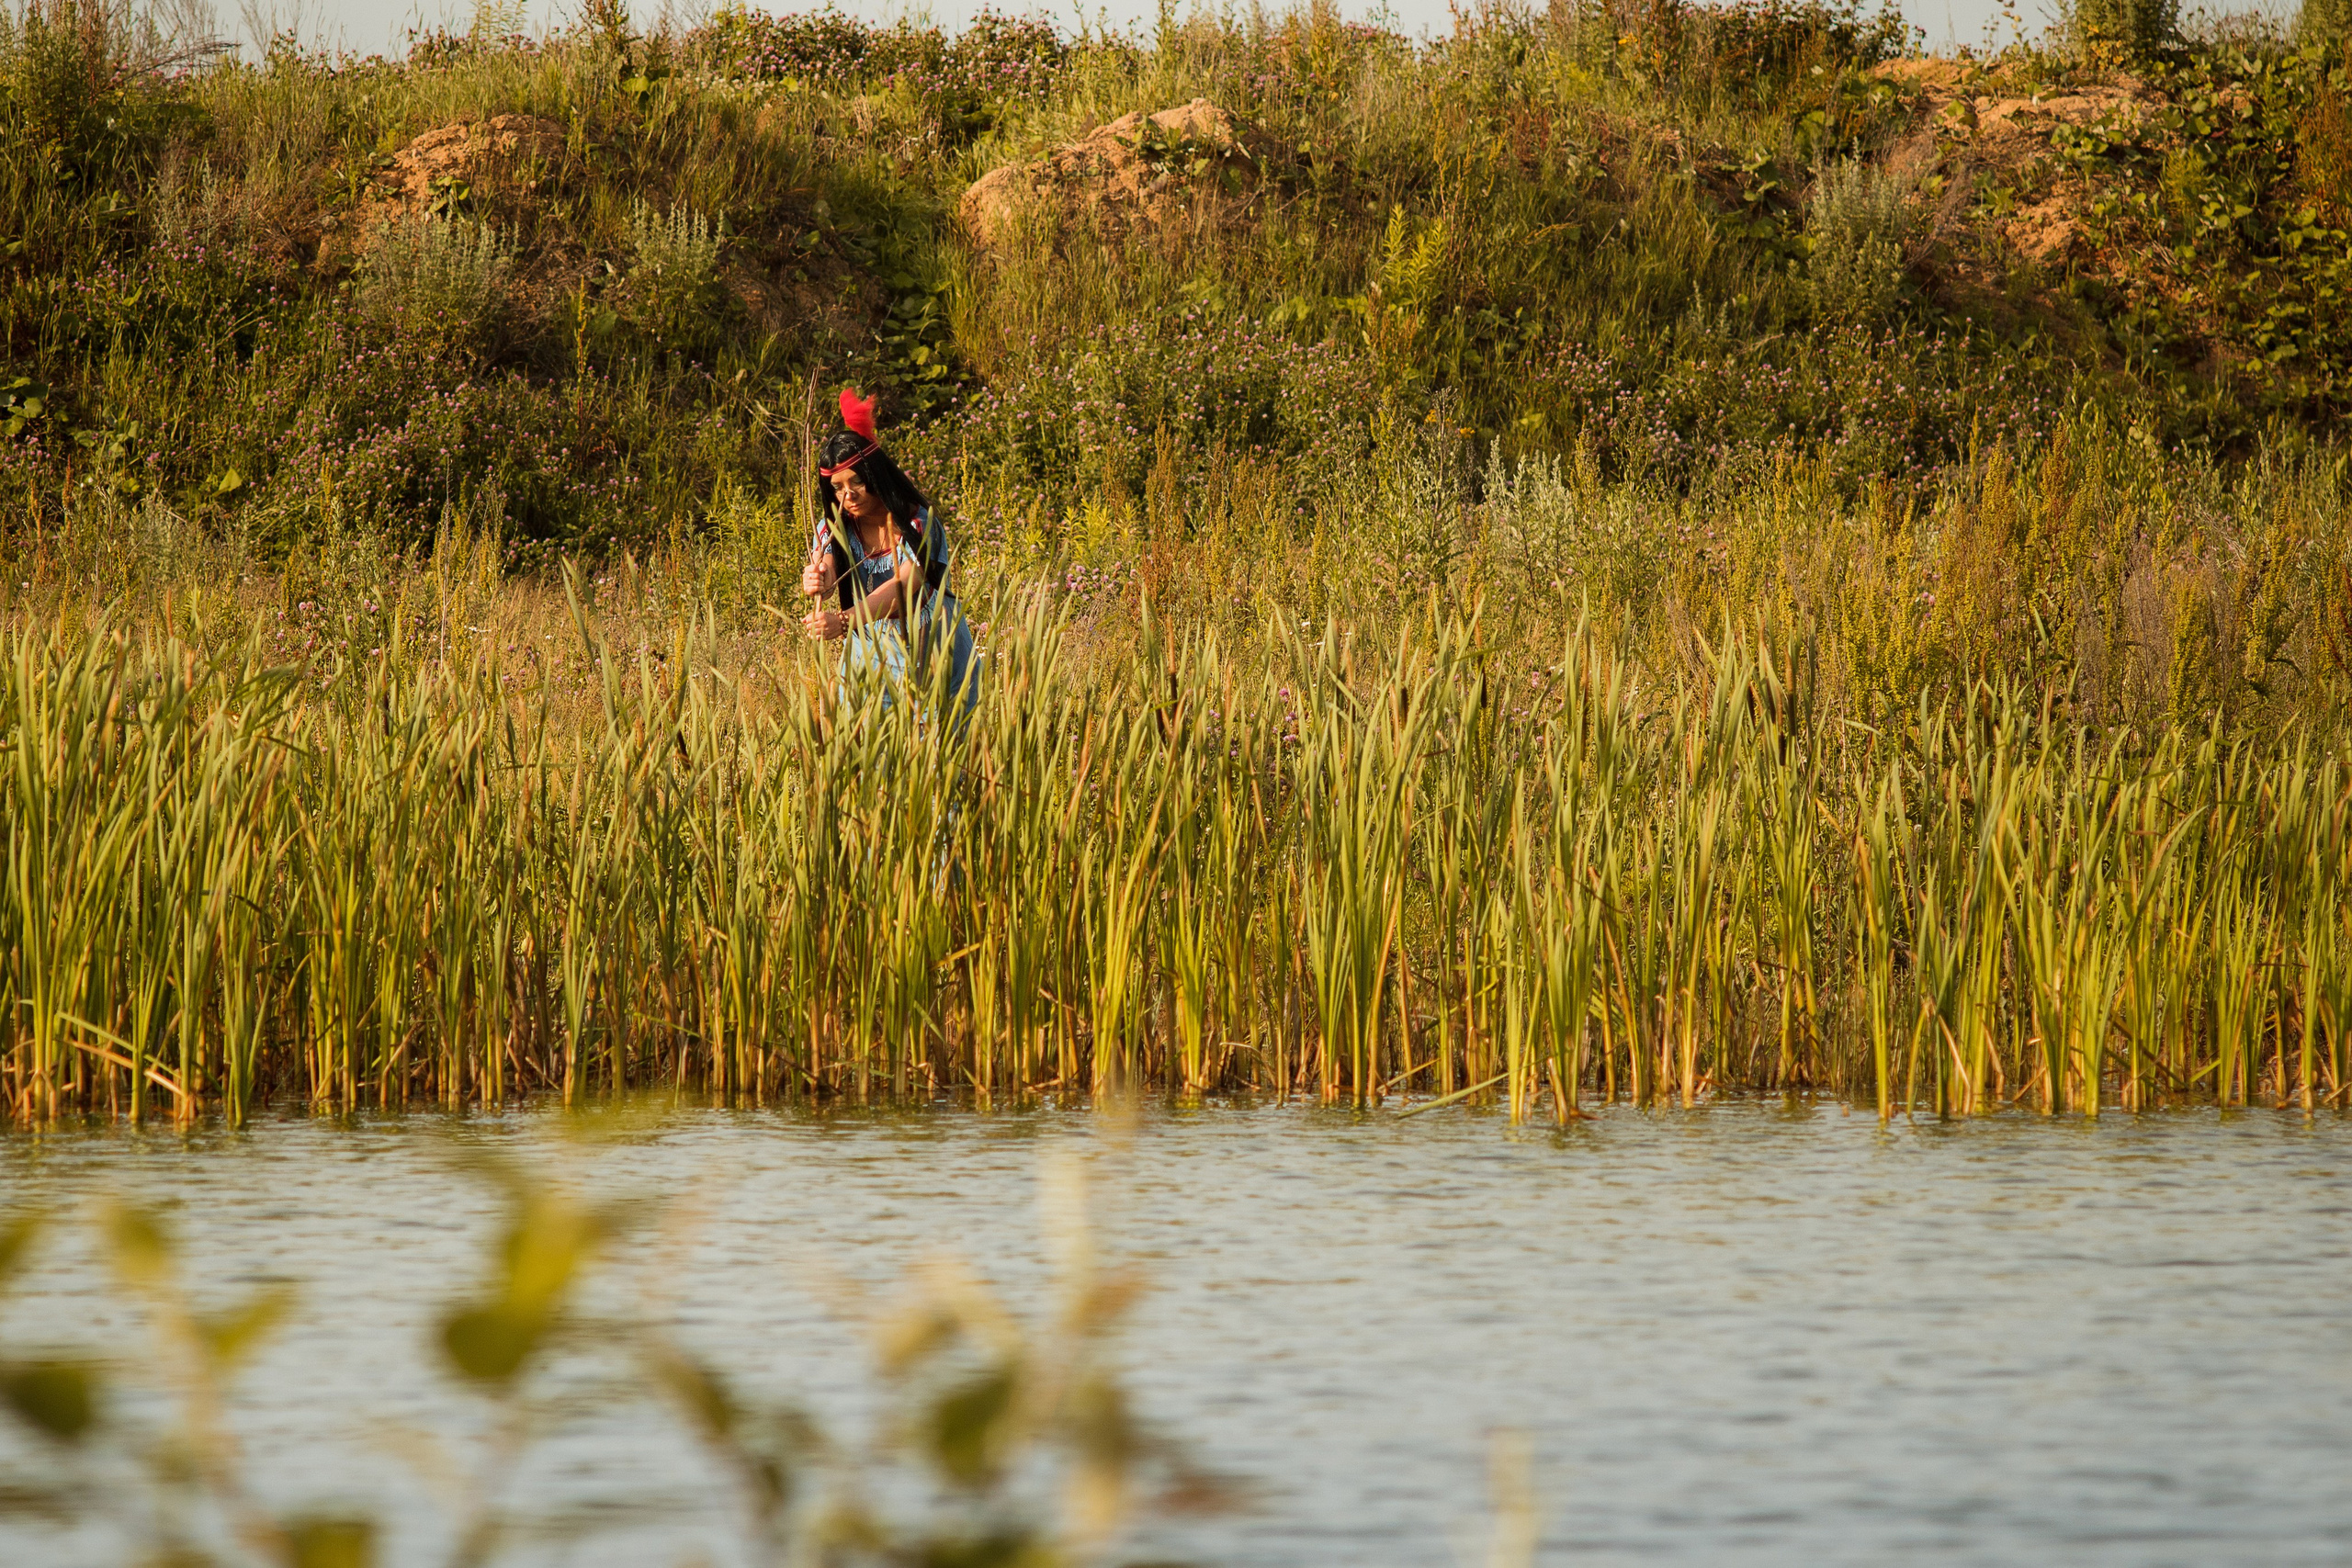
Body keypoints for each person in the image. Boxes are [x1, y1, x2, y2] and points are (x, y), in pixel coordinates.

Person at [799, 388, 978, 724]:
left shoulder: (919, 523)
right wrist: (816, 578)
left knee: (933, 753)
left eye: (857, 482)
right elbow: (827, 565)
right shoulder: (833, 528)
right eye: (837, 487)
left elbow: (904, 585)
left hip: (929, 648)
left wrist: (844, 621)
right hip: (866, 654)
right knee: (864, 747)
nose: (848, 494)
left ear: (876, 475)